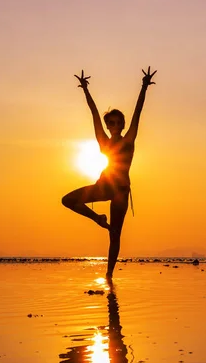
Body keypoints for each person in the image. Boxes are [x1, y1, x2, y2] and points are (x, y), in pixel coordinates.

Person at [62, 66, 157, 278]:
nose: (115, 125)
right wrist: (86, 90)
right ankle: (97, 218)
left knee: (115, 234)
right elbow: (94, 113)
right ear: (107, 125)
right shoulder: (103, 141)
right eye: (111, 122)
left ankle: (109, 275)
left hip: (121, 190)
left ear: (122, 124)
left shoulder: (129, 140)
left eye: (118, 122)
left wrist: (143, 88)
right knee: (67, 200)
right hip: (103, 185)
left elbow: (138, 112)